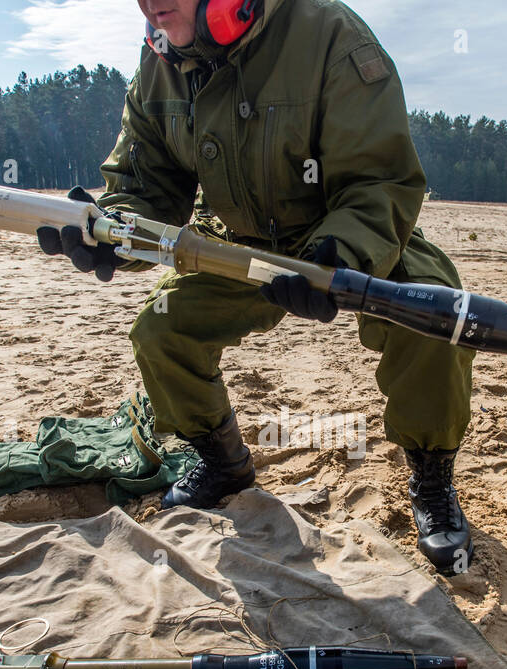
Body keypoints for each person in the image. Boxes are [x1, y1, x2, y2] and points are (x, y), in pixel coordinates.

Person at [37, 0, 475, 575]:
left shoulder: (328, 34)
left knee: (435, 319)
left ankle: (432, 475)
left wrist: (341, 257)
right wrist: (113, 230)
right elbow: (148, 184)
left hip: (339, 231)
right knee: (163, 327)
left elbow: (380, 179)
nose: (149, 4)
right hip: (237, 240)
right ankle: (222, 463)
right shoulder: (163, 58)